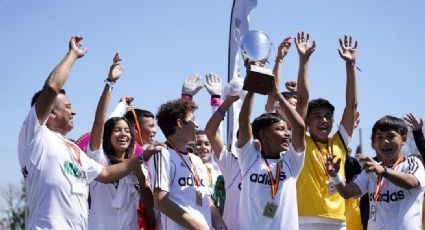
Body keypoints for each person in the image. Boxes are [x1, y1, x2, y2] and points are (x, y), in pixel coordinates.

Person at [18, 36, 146, 229]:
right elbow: (52, 87)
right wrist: (72, 55)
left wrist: (142, 158)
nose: (74, 111)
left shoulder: (74, 149)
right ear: (50, 112)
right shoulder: (35, 135)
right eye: (68, 107)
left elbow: (105, 173)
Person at [86, 53, 160, 229]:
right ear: (107, 135)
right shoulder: (97, 158)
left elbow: (150, 203)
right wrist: (110, 83)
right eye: (117, 130)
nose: (123, 134)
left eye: (127, 131)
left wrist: (141, 177)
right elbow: (98, 121)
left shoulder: (137, 164)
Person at [295, 33, 358, 230]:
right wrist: (303, 61)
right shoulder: (300, 141)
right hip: (304, 218)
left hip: (338, 219)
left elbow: (351, 106)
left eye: (327, 116)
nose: (324, 120)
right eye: (317, 116)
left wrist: (350, 66)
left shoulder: (339, 141)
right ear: (305, 122)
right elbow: (302, 100)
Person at [236, 61, 306, 230]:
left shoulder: (292, 160)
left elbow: (300, 127)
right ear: (263, 134)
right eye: (280, 129)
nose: (287, 134)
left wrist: (277, 94)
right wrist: (252, 85)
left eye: (286, 130)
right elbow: (244, 122)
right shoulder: (249, 157)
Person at [325, 115, 425, 229]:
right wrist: (335, 176)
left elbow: (411, 182)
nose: (385, 142)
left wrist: (382, 171)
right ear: (374, 142)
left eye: (391, 136)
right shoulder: (372, 169)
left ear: (404, 139)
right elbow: (347, 193)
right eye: (380, 137)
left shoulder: (413, 162)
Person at [148, 99, 226, 229]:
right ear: (180, 123)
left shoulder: (196, 159)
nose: (196, 124)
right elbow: (160, 201)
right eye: (193, 119)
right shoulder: (162, 154)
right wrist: (199, 227)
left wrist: (220, 224)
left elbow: (206, 197)